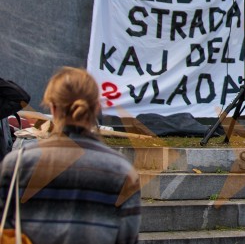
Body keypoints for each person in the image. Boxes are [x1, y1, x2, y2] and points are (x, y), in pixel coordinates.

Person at [0, 67, 140, 244]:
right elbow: (127, 237)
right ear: (97, 107)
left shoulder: (18, 163)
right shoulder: (122, 170)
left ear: (52, 108)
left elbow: (5, 227)